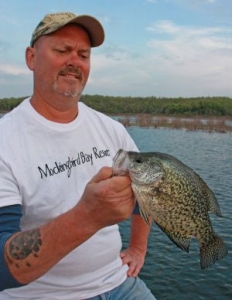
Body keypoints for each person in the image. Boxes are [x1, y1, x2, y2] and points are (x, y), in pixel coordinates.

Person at [0, 12, 156, 300]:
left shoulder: (112, 129)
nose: (74, 60)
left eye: (83, 54)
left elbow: (146, 196)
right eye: (62, 50)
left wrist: (138, 248)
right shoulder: (5, 140)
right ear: (32, 58)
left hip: (119, 284)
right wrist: (86, 217)